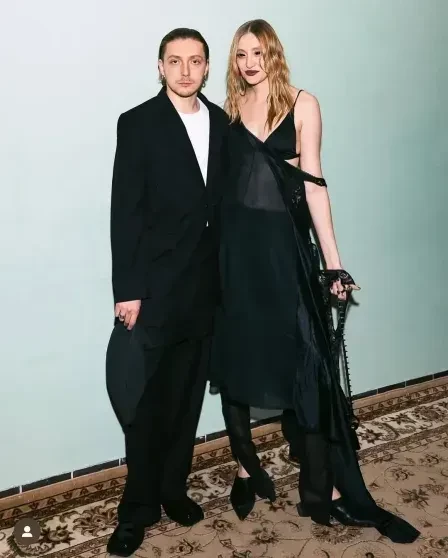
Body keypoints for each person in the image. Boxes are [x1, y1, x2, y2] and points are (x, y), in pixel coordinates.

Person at [209, 19, 420, 544]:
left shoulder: (303, 104)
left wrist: (333, 264)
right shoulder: (230, 110)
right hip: (237, 257)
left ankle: (329, 487)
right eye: (241, 54)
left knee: (309, 366)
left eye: (258, 52)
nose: (249, 63)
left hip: (285, 255)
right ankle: (245, 467)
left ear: (273, 54)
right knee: (239, 359)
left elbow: (315, 187)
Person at [106, 28, 229, 557]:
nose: (185, 70)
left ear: (206, 67)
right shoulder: (137, 123)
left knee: (185, 401)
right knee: (145, 405)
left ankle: (173, 490)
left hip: (204, 291)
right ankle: (137, 509)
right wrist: (128, 290)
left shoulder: (221, 122)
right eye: (174, 61)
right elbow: (125, 211)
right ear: (160, 67)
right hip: (153, 292)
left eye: (195, 61)